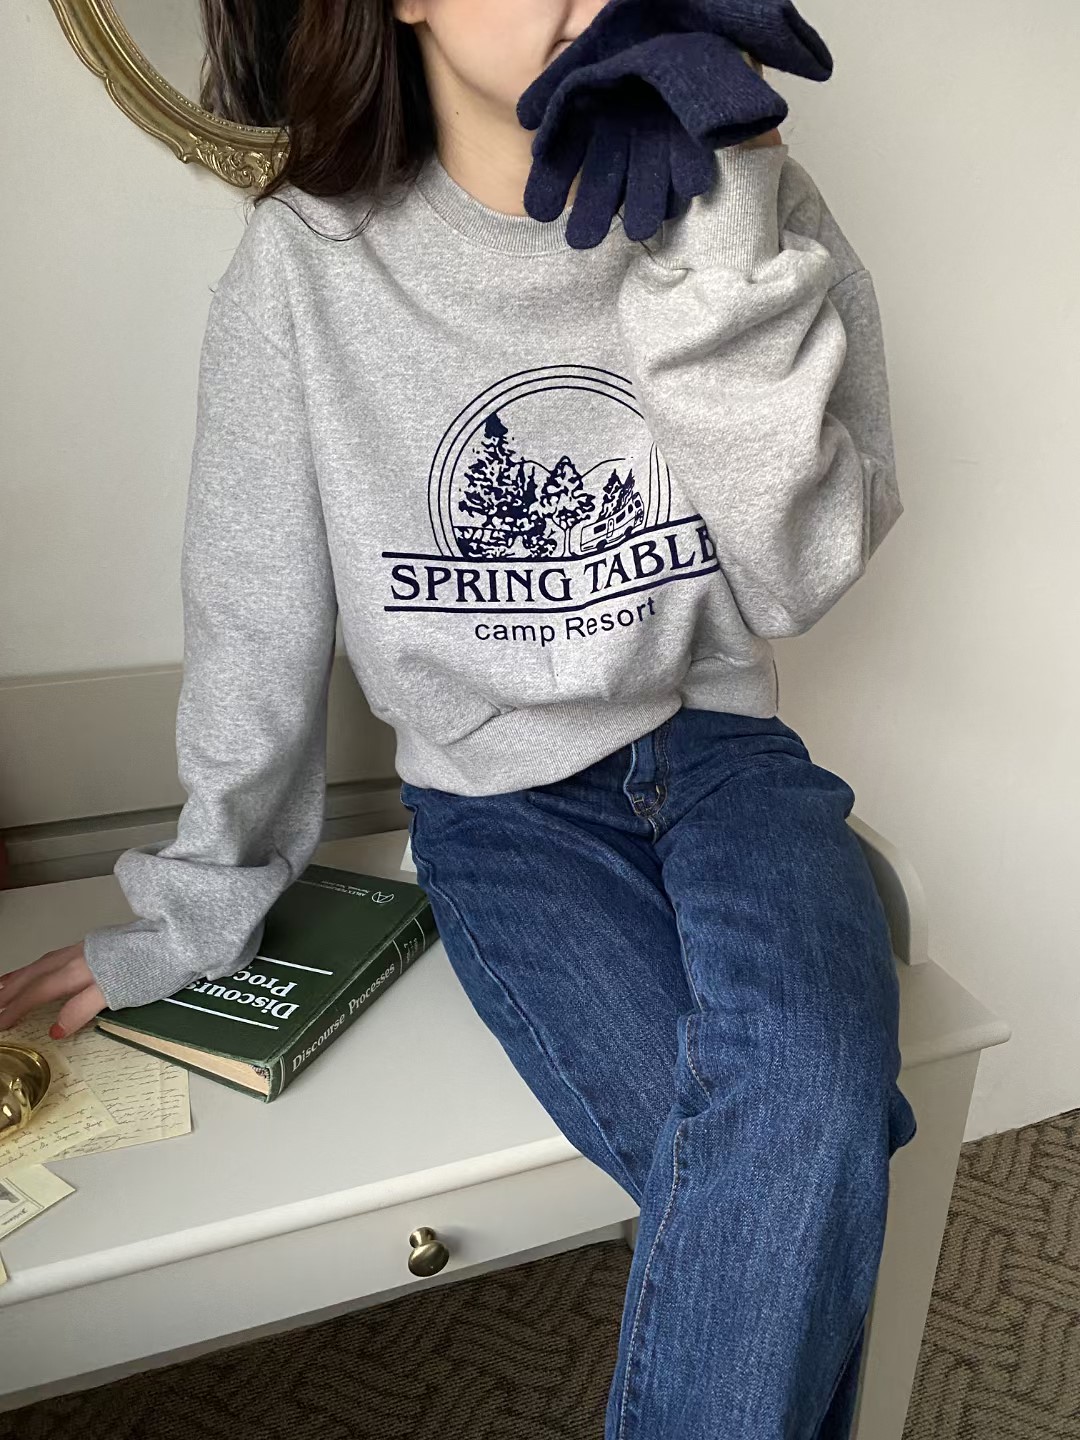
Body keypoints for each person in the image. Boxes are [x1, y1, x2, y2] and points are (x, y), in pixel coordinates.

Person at [0, 2, 918, 1435]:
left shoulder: (751, 202)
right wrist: (194, 905)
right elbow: (253, 619)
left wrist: (726, 215)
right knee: (797, 1144)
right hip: (500, 809)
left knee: (798, 1119)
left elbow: (800, 578)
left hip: (723, 752)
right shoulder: (307, 267)